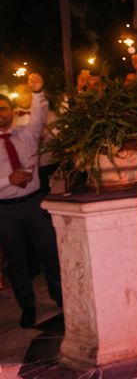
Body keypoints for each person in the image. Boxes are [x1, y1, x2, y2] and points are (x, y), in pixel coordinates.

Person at [0, 73, 62, 328]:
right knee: (16, 261)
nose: (0, 113)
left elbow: (39, 116)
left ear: (12, 111)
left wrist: (37, 92)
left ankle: (60, 298)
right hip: (6, 209)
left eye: (3, 108)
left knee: (49, 252)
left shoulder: (26, 133)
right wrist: (7, 181)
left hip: (35, 203)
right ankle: (27, 306)